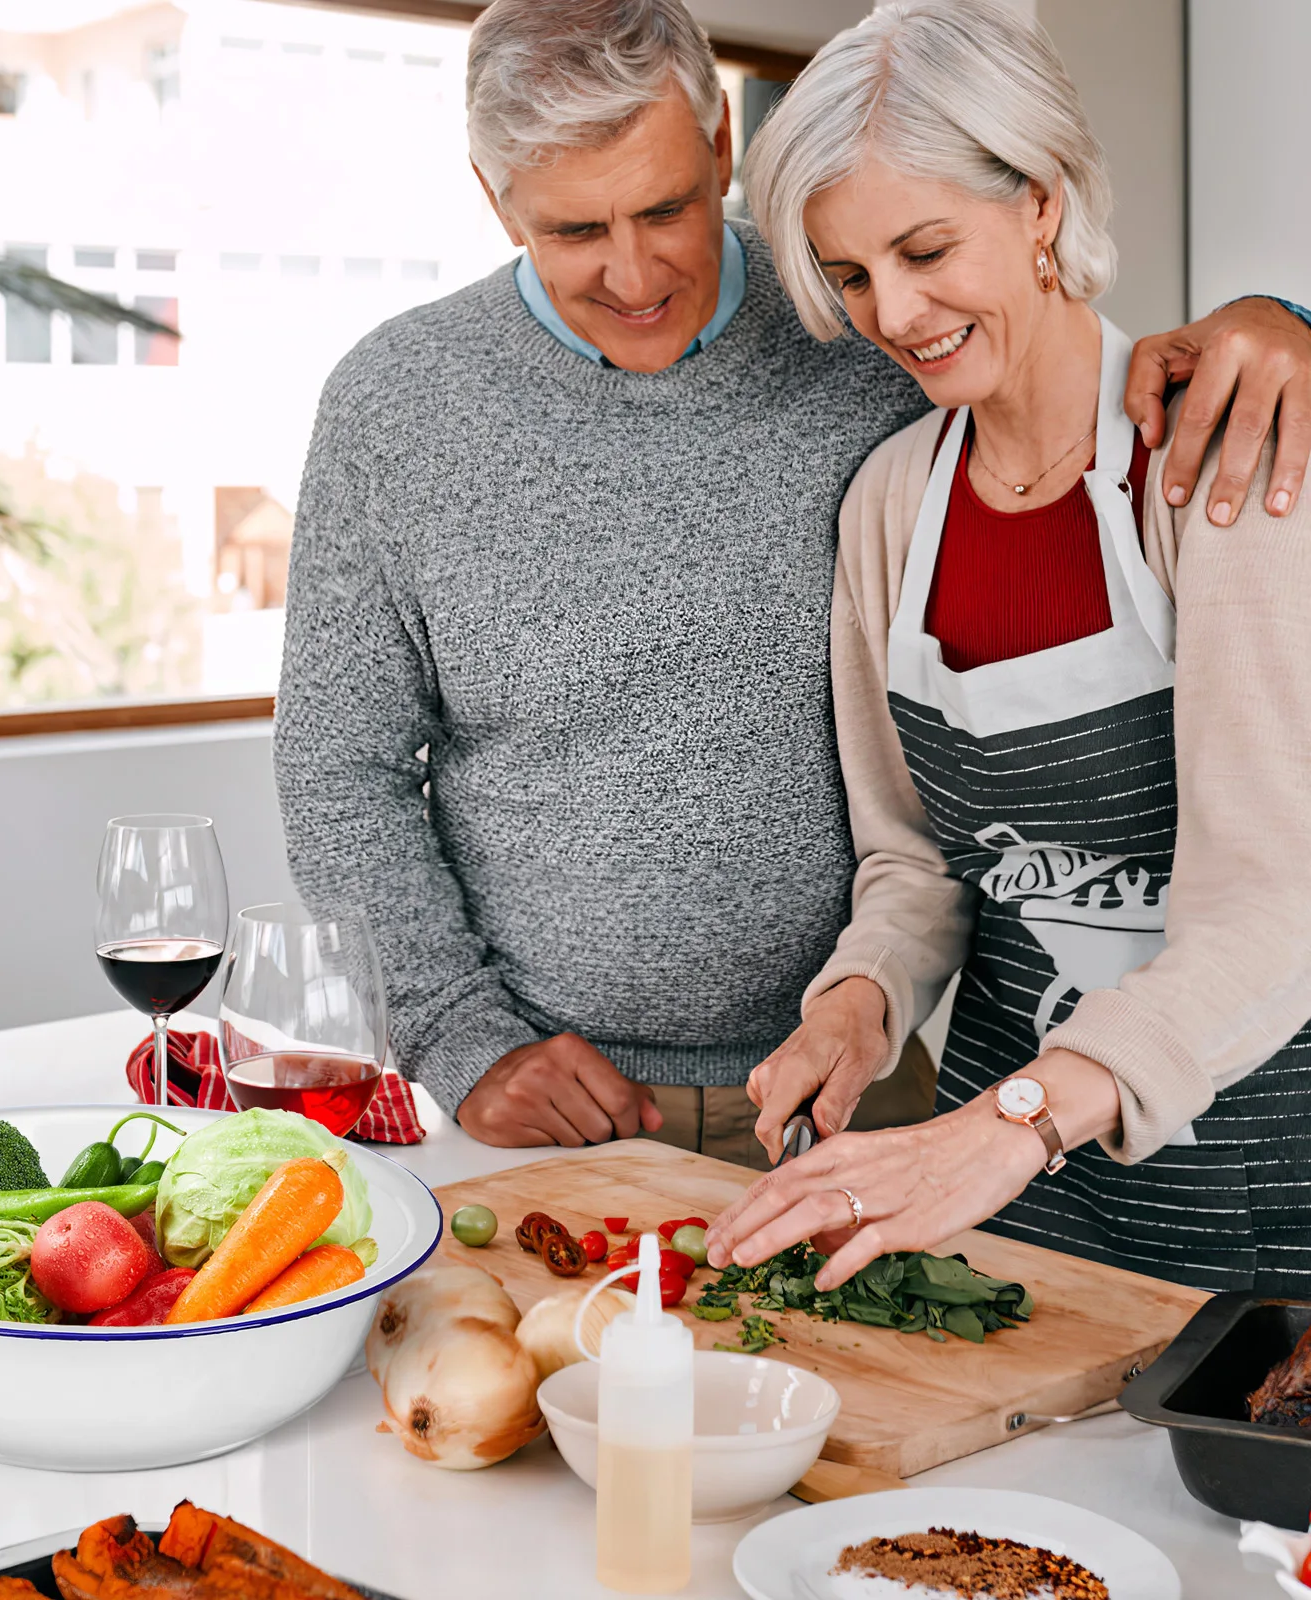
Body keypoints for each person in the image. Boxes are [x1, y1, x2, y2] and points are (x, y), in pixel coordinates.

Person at [275, 0, 1311, 1167]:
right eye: (570, 231)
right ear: (490, 193)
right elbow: (336, 766)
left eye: (665, 208)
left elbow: (1062, 373)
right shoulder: (394, 409)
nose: (631, 273)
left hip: (873, 1087)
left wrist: (1284, 320)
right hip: (545, 1105)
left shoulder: (853, 324)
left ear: (719, 137)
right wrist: (458, 1037)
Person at [708, 0, 1311, 1293]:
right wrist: (859, 1001)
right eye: (854, 275)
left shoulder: (1214, 461)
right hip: (987, 1203)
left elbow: (1281, 900)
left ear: (1040, 202)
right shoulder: (890, 503)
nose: (896, 311)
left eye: (928, 249)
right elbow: (919, 858)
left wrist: (1010, 1126)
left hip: (1255, 1188)